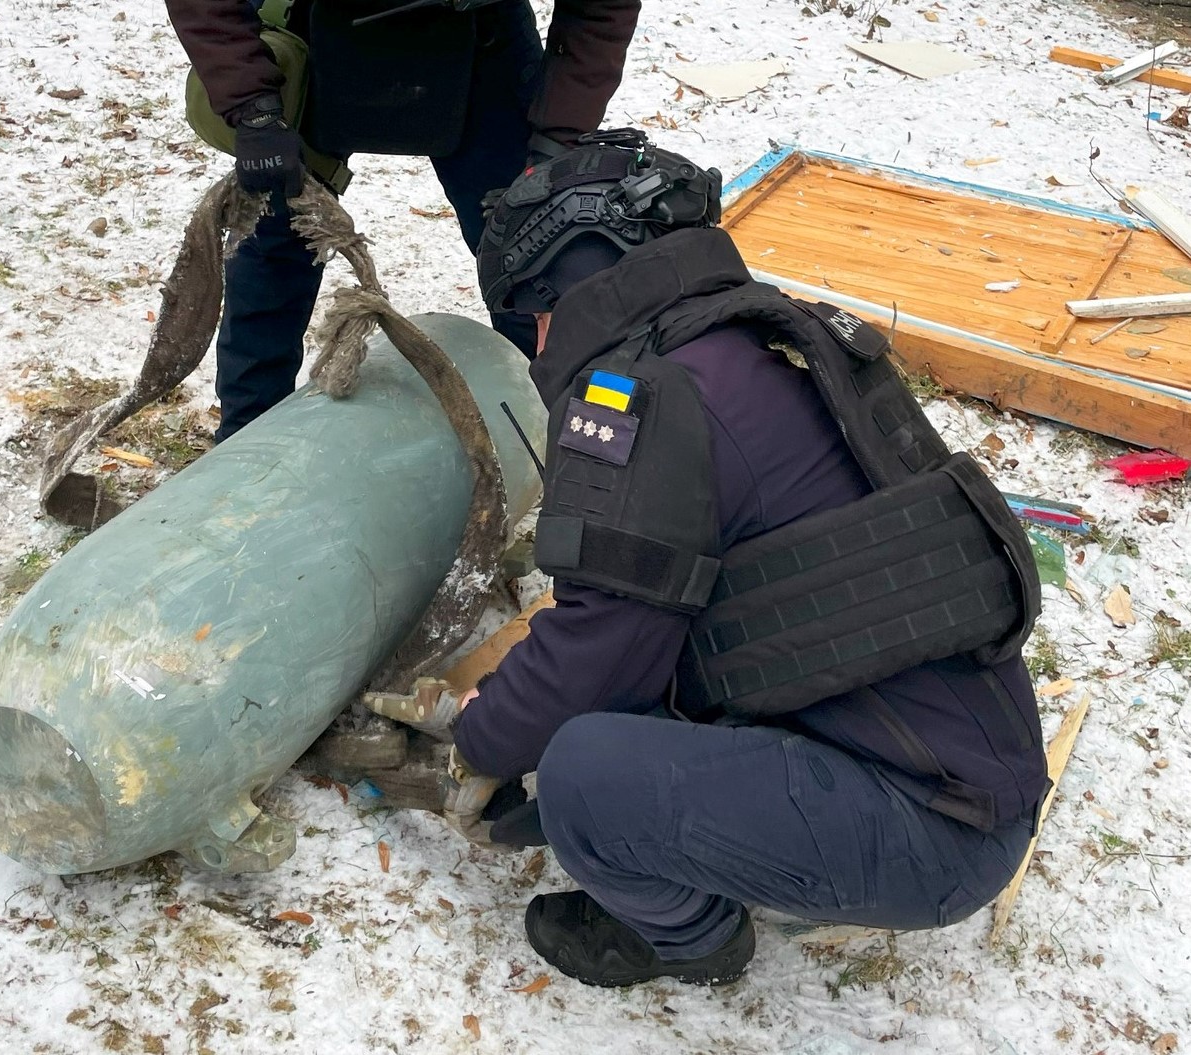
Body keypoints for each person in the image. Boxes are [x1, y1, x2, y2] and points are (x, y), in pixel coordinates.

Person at [367, 130, 1048, 989]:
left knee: (582, 774)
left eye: (531, 315)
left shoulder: (640, 394)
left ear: (563, 287)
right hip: (967, 767)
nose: (537, 343)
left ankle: (686, 939)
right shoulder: (760, 342)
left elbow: (599, 652)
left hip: (927, 826)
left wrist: (482, 736)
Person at [164, 0, 642, 441]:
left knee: (536, 248)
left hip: (480, 38)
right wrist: (252, 107)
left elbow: (601, 7)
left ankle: (553, 434)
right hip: (318, 27)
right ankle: (244, 447)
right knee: (277, 235)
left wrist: (560, 130)